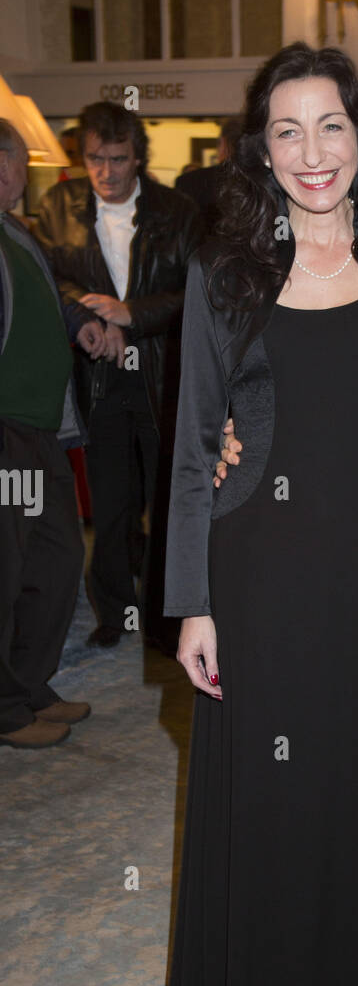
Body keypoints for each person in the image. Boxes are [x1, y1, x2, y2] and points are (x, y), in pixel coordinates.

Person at [158, 44, 358, 986]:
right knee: (274, 791)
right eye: (287, 130)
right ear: (261, 150)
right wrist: (190, 598)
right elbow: (195, 442)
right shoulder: (224, 268)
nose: (311, 152)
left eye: (330, 126)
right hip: (258, 571)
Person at [34, 102, 203, 650]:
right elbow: (49, 279)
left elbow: (202, 295)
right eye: (94, 159)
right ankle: (113, 610)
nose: (106, 172)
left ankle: (162, 615)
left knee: (168, 501)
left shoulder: (178, 210)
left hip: (162, 374)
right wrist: (85, 316)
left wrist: (134, 313)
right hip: (97, 376)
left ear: (139, 158)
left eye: (118, 159)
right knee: (108, 505)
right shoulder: (58, 204)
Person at [0, 120, 103, 748]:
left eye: (12, 161)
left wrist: (80, 319)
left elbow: (48, 290)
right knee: (6, 573)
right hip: (5, 432)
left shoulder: (16, 230)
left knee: (58, 559)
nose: (13, 172)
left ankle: (32, 685)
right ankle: (6, 709)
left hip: (43, 432)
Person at [175, 116, 244, 235]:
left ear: (223, 143)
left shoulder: (189, 182)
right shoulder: (265, 182)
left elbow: (180, 232)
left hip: (200, 251)